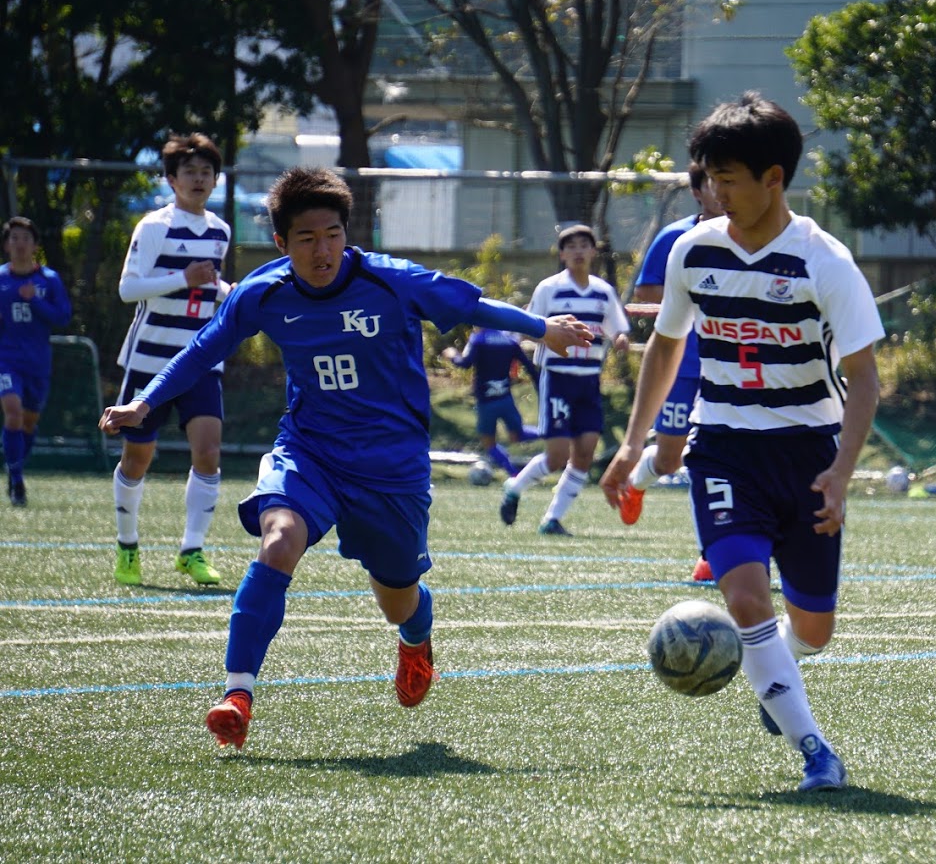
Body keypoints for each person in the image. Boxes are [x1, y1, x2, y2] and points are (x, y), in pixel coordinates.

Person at [98, 167, 591, 750]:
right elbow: (206, 347)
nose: (322, 250)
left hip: (391, 468)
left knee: (397, 599)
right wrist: (145, 401)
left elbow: (474, 305)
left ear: (346, 235)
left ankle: (415, 635)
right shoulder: (265, 292)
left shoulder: (391, 281)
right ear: (282, 244)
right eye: (306, 239)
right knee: (279, 539)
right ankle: (237, 694)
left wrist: (542, 328)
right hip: (310, 451)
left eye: (332, 235)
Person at [601, 92, 883, 792]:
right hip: (724, 447)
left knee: (812, 629)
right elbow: (664, 350)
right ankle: (817, 752)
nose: (713, 192)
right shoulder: (693, 251)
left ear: (773, 180)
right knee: (749, 601)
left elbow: (866, 380)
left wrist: (842, 474)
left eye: (727, 178)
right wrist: (632, 445)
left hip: (810, 451)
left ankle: (778, 676)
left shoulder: (825, 262)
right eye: (707, 177)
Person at [112, 133, 232, 587]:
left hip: (200, 358)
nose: (199, 179)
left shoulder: (220, 230)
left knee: (208, 451)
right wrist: (182, 277)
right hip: (150, 360)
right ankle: (127, 547)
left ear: (215, 179)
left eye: (206, 172)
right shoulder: (154, 227)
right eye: (190, 172)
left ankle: (192, 550)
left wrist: (231, 294)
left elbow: (211, 285)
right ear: (171, 179)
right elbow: (129, 289)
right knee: (138, 458)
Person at [615, 161, 723, 580]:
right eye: (716, 182)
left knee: (704, 457)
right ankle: (638, 482)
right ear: (698, 192)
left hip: (726, 366)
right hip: (680, 364)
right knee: (670, 456)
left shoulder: (746, 237)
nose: (724, 192)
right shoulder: (675, 236)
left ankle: (710, 556)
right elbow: (646, 291)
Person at [499, 224, 630, 535]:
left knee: (585, 452)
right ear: (561, 254)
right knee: (557, 456)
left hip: (589, 382)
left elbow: (617, 327)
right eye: (571, 246)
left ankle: (553, 518)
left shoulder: (603, 291)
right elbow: (530, 326)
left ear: (594, 251)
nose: (578, 251)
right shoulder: (549, 288)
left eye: (584, 245)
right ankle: (514, 488)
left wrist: (622, 338)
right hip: (558, 379)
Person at [0, 216, 72, 505]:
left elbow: (63, 317)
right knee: (13, 412)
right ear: (6, 245)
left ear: (35, 245)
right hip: (7, 360)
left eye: (25, 238)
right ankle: (17, 482)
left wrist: (35, 301)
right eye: (14, 238)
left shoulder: (48, 280)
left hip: (38, 363)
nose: (20, 244)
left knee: (28, 422)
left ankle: (16, 467)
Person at [442, 326, 539, 475]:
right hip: (505, 398)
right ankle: (553, 433)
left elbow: (465, 363)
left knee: (489, 444)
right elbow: (529, 368)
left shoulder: (478, 340)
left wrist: (452, 354)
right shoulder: (509, 340)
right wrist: (540, 389)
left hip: (486, 401)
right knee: (517, 435)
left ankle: (514, 474)